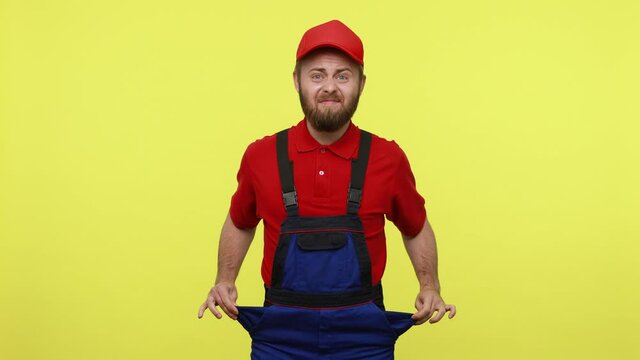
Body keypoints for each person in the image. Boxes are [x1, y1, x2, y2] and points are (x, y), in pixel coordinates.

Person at [198, 19, 456, 359]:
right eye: (317, 74)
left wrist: (430, 286)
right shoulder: (260, 156)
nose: (329, 87)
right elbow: (240, 221)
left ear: (361, 84)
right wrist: (225, 278)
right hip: (281, 340)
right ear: (297, 81)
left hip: (363, 340)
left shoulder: (387, 158)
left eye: (343, 76)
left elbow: (416, 226)